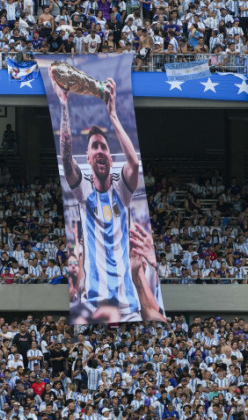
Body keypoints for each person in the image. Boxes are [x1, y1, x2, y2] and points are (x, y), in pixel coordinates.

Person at [50, 67, 165, 323]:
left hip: (128, 307)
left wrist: (112, 114)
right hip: (93, 306)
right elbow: (66, 161)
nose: (100, 150)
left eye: (104, 146)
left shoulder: (121, 192)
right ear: (89, 158)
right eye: (95, 147)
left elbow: (134, 164)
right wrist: (64, 104)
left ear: (110, 158)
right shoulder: (84, 191)